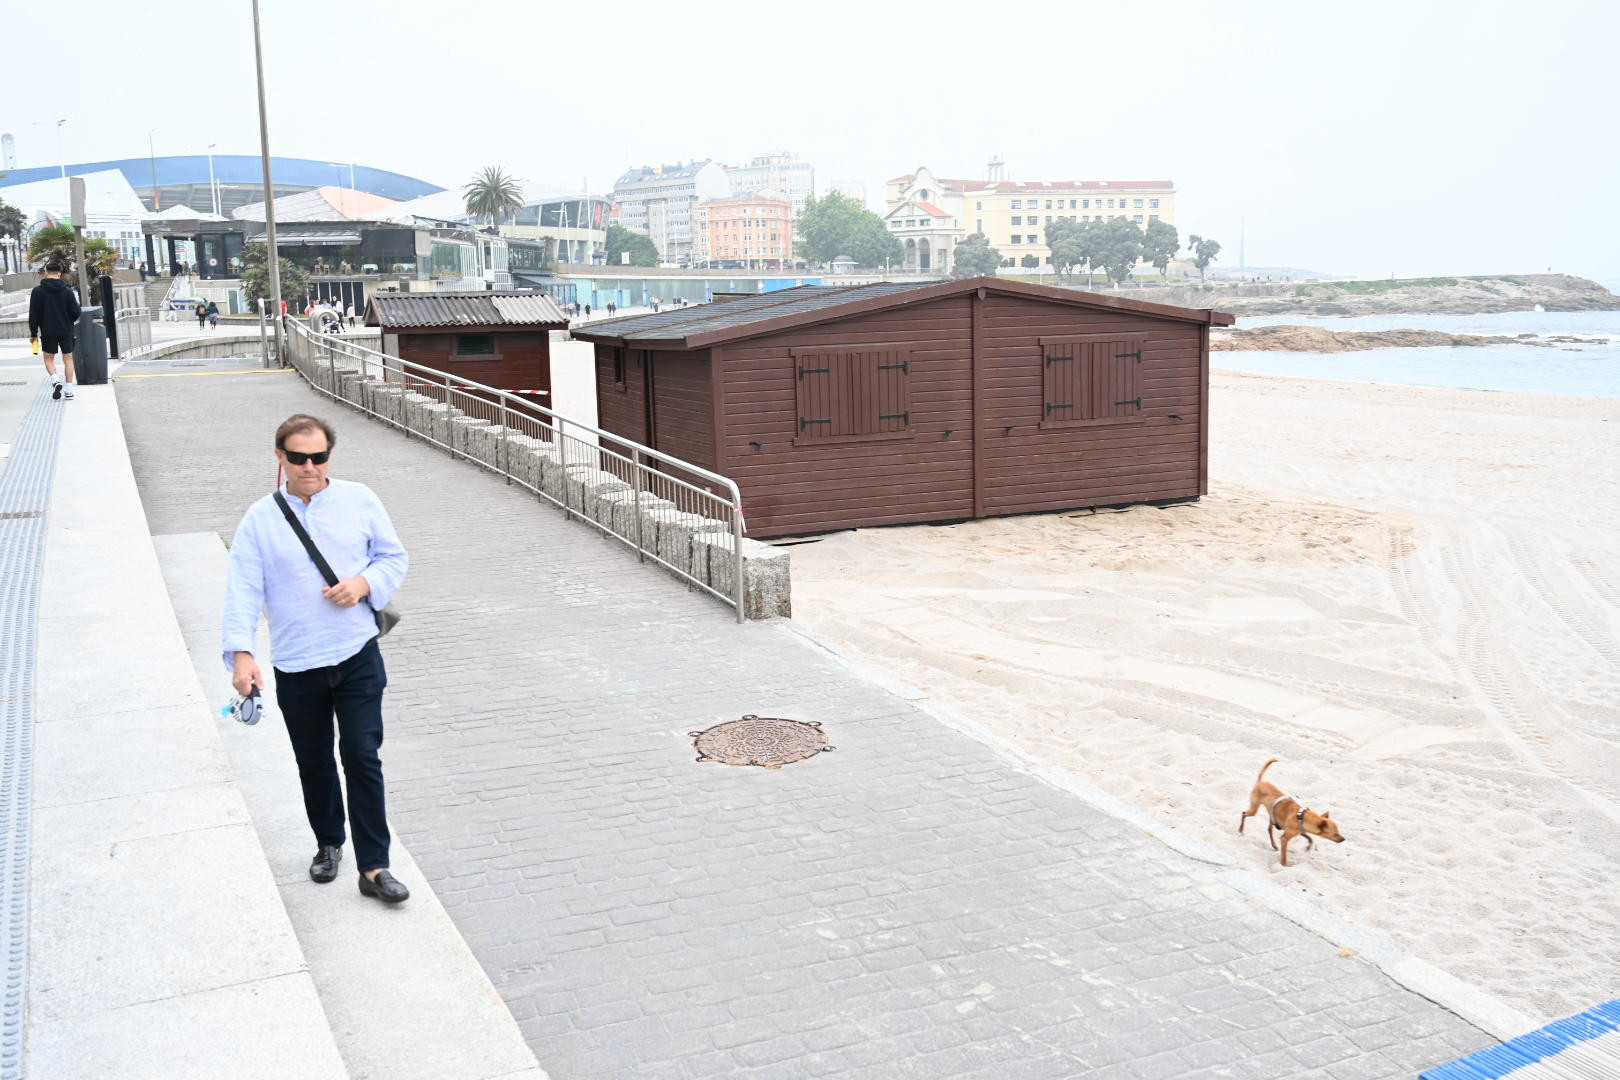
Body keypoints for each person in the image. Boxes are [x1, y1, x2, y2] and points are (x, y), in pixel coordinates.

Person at [222, 413, 411, 904]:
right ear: (280, 457)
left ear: (329, 455)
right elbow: (242, 590)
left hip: (356, 654)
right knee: (314, 761)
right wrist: (242, 656)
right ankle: (329, 843)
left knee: (362, 757)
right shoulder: (260, 518)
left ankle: (374, 866)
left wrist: (363, 583)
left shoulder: (360, 499)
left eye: (319, 457)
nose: (310, 467)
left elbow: (393, 557)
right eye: (299, 458)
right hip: (297, 661)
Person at [28, 261, 80, 402]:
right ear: (60, 273)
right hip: (66, 330)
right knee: (68, 358)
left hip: (48, 331)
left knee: (49, 358)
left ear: (46, 272)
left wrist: (34, 333)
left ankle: (56, 380)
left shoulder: (37, 291)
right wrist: (67, 320)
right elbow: (76, 312)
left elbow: (34, 314)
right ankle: (69, 391)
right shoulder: (68, 291)